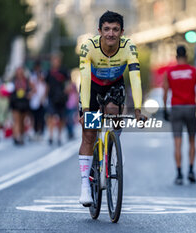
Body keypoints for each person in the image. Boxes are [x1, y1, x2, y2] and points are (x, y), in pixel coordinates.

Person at [78, 11, 146, 205]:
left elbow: (135, 78)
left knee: (114, 113)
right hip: (92, 86)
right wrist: (84, 111)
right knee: (89, 134)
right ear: (99, 31)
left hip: (115, 84)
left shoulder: (129, 47)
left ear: (122, 32)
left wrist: (139, 110)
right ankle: (85, 187)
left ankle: (113, 145)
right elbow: (83, 78)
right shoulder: (88, 47)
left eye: (115, 30)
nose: (110, 34)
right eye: (106, 29)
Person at [163, 45, 196, 185]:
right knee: (192, 140)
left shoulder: (169, 72)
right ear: (186, 57)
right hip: (190, 108)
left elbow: (165, 93)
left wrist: (165, 108)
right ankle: (191, 170)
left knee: (177, 143)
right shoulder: (194, 71)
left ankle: (179, 174)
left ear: (176, 57)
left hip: (176, 108)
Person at [46, 55, 69, 146]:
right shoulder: (49, 72)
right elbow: (47, 85)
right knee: (50, 116)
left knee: (62, 117)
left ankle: (59, 136)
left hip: (61, 97)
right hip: (51, 97)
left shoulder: (64, 71)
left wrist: (67, 90)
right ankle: (51, 136)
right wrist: (44, 96)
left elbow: (68, 82)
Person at [9, 67, 30, 145]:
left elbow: (32, 89)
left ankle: (21, 136)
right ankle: (16, 137)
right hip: (15, 102)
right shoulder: (13, 81)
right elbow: (8, 90)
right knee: (16, 120)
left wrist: (29, 94)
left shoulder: (26, 81)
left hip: (24, 103)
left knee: (22, 121)